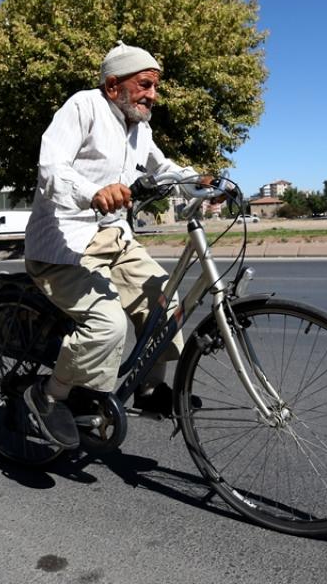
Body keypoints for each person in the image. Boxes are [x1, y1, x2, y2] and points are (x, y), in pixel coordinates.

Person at [21, 42, 201, 449]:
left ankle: (150, 388)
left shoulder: (140, 128)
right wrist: (92, 192)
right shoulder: (82, 107)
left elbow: (164, 169)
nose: (152, 94)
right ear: (113, 84)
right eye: (145, 85)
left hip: (115, 239)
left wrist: (201, 181)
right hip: (64, 244)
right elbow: (51, 168)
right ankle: (50, 397)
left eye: (155, 87)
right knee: (108, 324)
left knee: (166, 303)